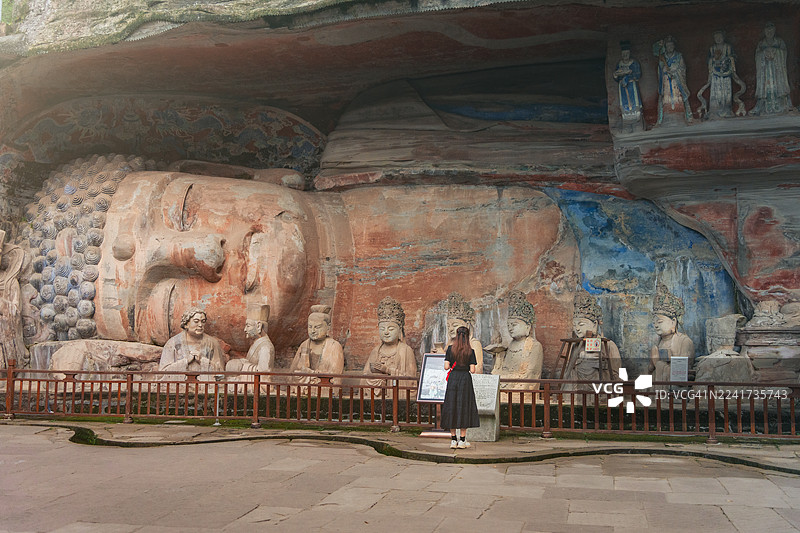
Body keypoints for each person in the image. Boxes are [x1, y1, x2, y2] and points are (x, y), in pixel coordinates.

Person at [562, 291, 621, 390]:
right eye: (574, 325)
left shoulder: (609, 345)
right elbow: (569, 371)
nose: (577, 329)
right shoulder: (576, 346)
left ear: (595, 325)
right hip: (578, 390)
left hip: (599, 390)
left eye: (581, 324)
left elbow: (615, 374)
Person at [490, 290, 543, 388]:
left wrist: (506, 380)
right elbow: (502, 370)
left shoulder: (535, 346)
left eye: (514, 325)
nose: (510, 328)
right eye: (508, 325)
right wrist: (498, 355)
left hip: (521, 386)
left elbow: (529, 375)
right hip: (507, 383)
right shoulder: (511, 344)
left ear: (528, 326)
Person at [362, 297, 417, 388]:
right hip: (377, 392)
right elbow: (364, 377)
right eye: (382, 329)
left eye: (391, 329)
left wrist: (388, 370)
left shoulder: (406, 350)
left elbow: (411, 381)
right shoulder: (376, 351)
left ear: (399, 330)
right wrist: (375, 378)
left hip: (396, 392)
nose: (386, 332)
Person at [158, 307, 227, 377]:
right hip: (180, 383)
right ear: (186, 324)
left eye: (203, 321)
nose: (200, 325)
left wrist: (202, 361)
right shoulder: (173, 343)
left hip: (205, 383)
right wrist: (186, 361)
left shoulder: (212, 343)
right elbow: (162, 374)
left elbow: (220, 373)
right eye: (196, 321)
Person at [441, 326, 480, 449]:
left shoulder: (450, 349)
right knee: (464, 407)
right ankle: (462, 440)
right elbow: (472, 370)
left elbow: (446, 367)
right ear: (467, 336)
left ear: (457, 335)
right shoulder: (470, 351)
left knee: (451, 406)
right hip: (465, 380)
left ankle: (453, 440)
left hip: (453, 379)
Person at [648, 284, 695, 385]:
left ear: (673, 322)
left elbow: (680, 376)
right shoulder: (658, 343)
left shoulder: (684, 342)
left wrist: (657, 363)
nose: (656, 325)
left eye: (660, 322)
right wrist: (651, 365)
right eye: (654, 322)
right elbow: (650, 372)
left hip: (675, 390)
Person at [290, 304, 344, 384]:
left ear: (328, 327)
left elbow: (335, 375)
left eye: (317, 327)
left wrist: (312, 373)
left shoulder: (334, 346)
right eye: (310, 327)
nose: (313, 331)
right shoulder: (304, 344)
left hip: (323, 385)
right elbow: (292, 373)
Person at [751, 22, 792, 116]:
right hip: (765, 70)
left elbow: (784, 52)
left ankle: (783, 105)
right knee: (766, 87)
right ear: (764, 32)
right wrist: (764, 53)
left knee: (779, 86)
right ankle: (763, 106)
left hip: (777, 69)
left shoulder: (779, 41)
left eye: (771, 31)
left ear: (774, 31)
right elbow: (757, 55)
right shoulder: (761, 43)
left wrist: (775, 52)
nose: (769, 33)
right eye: (767, 31)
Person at [225, 304, 275, 377]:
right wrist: (242, 361)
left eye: (248, 326)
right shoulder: (256, 344)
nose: (245, 329)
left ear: (259, 326)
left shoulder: (266, 347)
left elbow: (264, 373)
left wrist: (241, 365)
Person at [655, 36, 692, 125]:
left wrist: (675, 70)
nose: (670, 47)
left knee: (679, 98)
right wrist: (663, 70)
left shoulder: (679, 56)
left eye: (671, 45)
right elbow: (660, 69)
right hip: (666, 82)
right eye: (668, 46)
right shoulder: (663, 57)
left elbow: (683, 68)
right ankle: (663, 118)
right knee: (665, 99)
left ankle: (685, 116)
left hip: (677, 82)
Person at [613, 41, 642, 130]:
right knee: (624, 103)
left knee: (634, 102)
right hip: (622, 88)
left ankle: (637, 122)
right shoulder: (619, 64)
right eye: (623, 54)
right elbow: (617, 76)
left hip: (631, 85)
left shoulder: (634, 63)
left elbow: (638, 74)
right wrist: (616, 75)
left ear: (629, 53)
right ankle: (626, 123)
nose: (625, 55)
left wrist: (628, 76)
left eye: (627, 53)